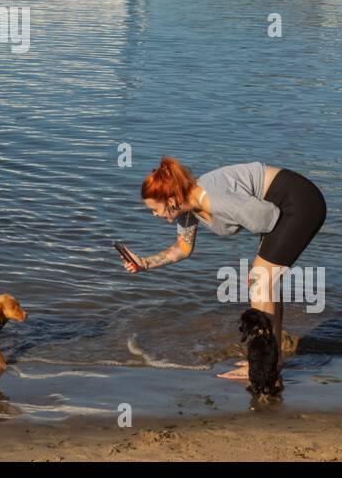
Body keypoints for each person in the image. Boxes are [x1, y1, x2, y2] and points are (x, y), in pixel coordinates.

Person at [120, 157, 326, 380]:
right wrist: (145, 262)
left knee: (259, 280)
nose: (155, 215)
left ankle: (260, 366)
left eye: (155, 209)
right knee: (264, 280)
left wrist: (236, 206)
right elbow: (182, 248)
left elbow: (266, 219)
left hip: (299, 202)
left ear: (171, 200)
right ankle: (272, 361)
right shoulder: (188, 209)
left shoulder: (212, 199)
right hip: (279, 208)